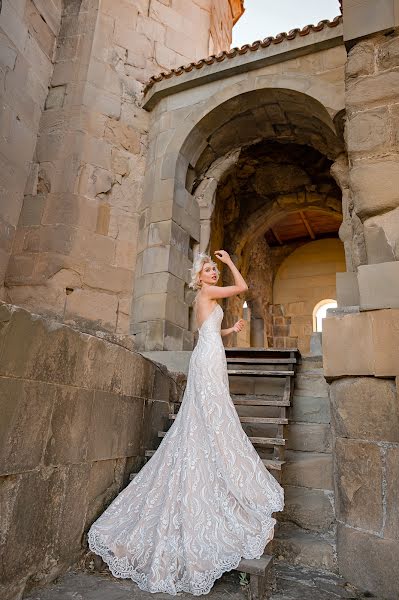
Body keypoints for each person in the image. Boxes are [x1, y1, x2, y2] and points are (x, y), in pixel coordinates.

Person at [87, 250, 284, 596]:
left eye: (214, 269)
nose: (213, 273)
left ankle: (211, 457)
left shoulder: (204, 298)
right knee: (212, 412)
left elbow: (208, 331)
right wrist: (230, 263)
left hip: (209, 352)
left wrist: (230, 329)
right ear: (200, 277)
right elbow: (243, 285)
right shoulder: (207, 292)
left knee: (209, 413)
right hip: (207, 359)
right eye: (209, 270)